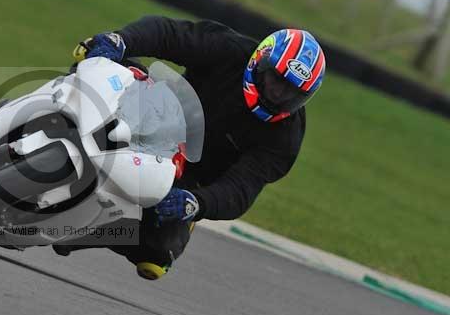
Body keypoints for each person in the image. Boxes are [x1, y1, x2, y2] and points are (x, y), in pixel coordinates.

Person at [54, 16, 326, 280]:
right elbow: (169, 34)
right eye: (276, 80)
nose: (277, 94)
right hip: (155, 111)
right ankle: (35, 118)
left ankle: (80, 229)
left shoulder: (285, 138)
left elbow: (242, 188)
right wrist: (121, 40)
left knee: (157, 254)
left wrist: (198, 203)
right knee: (95, 58)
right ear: (261, 60)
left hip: (185, 176)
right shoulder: (229, 49)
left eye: (290, 92)